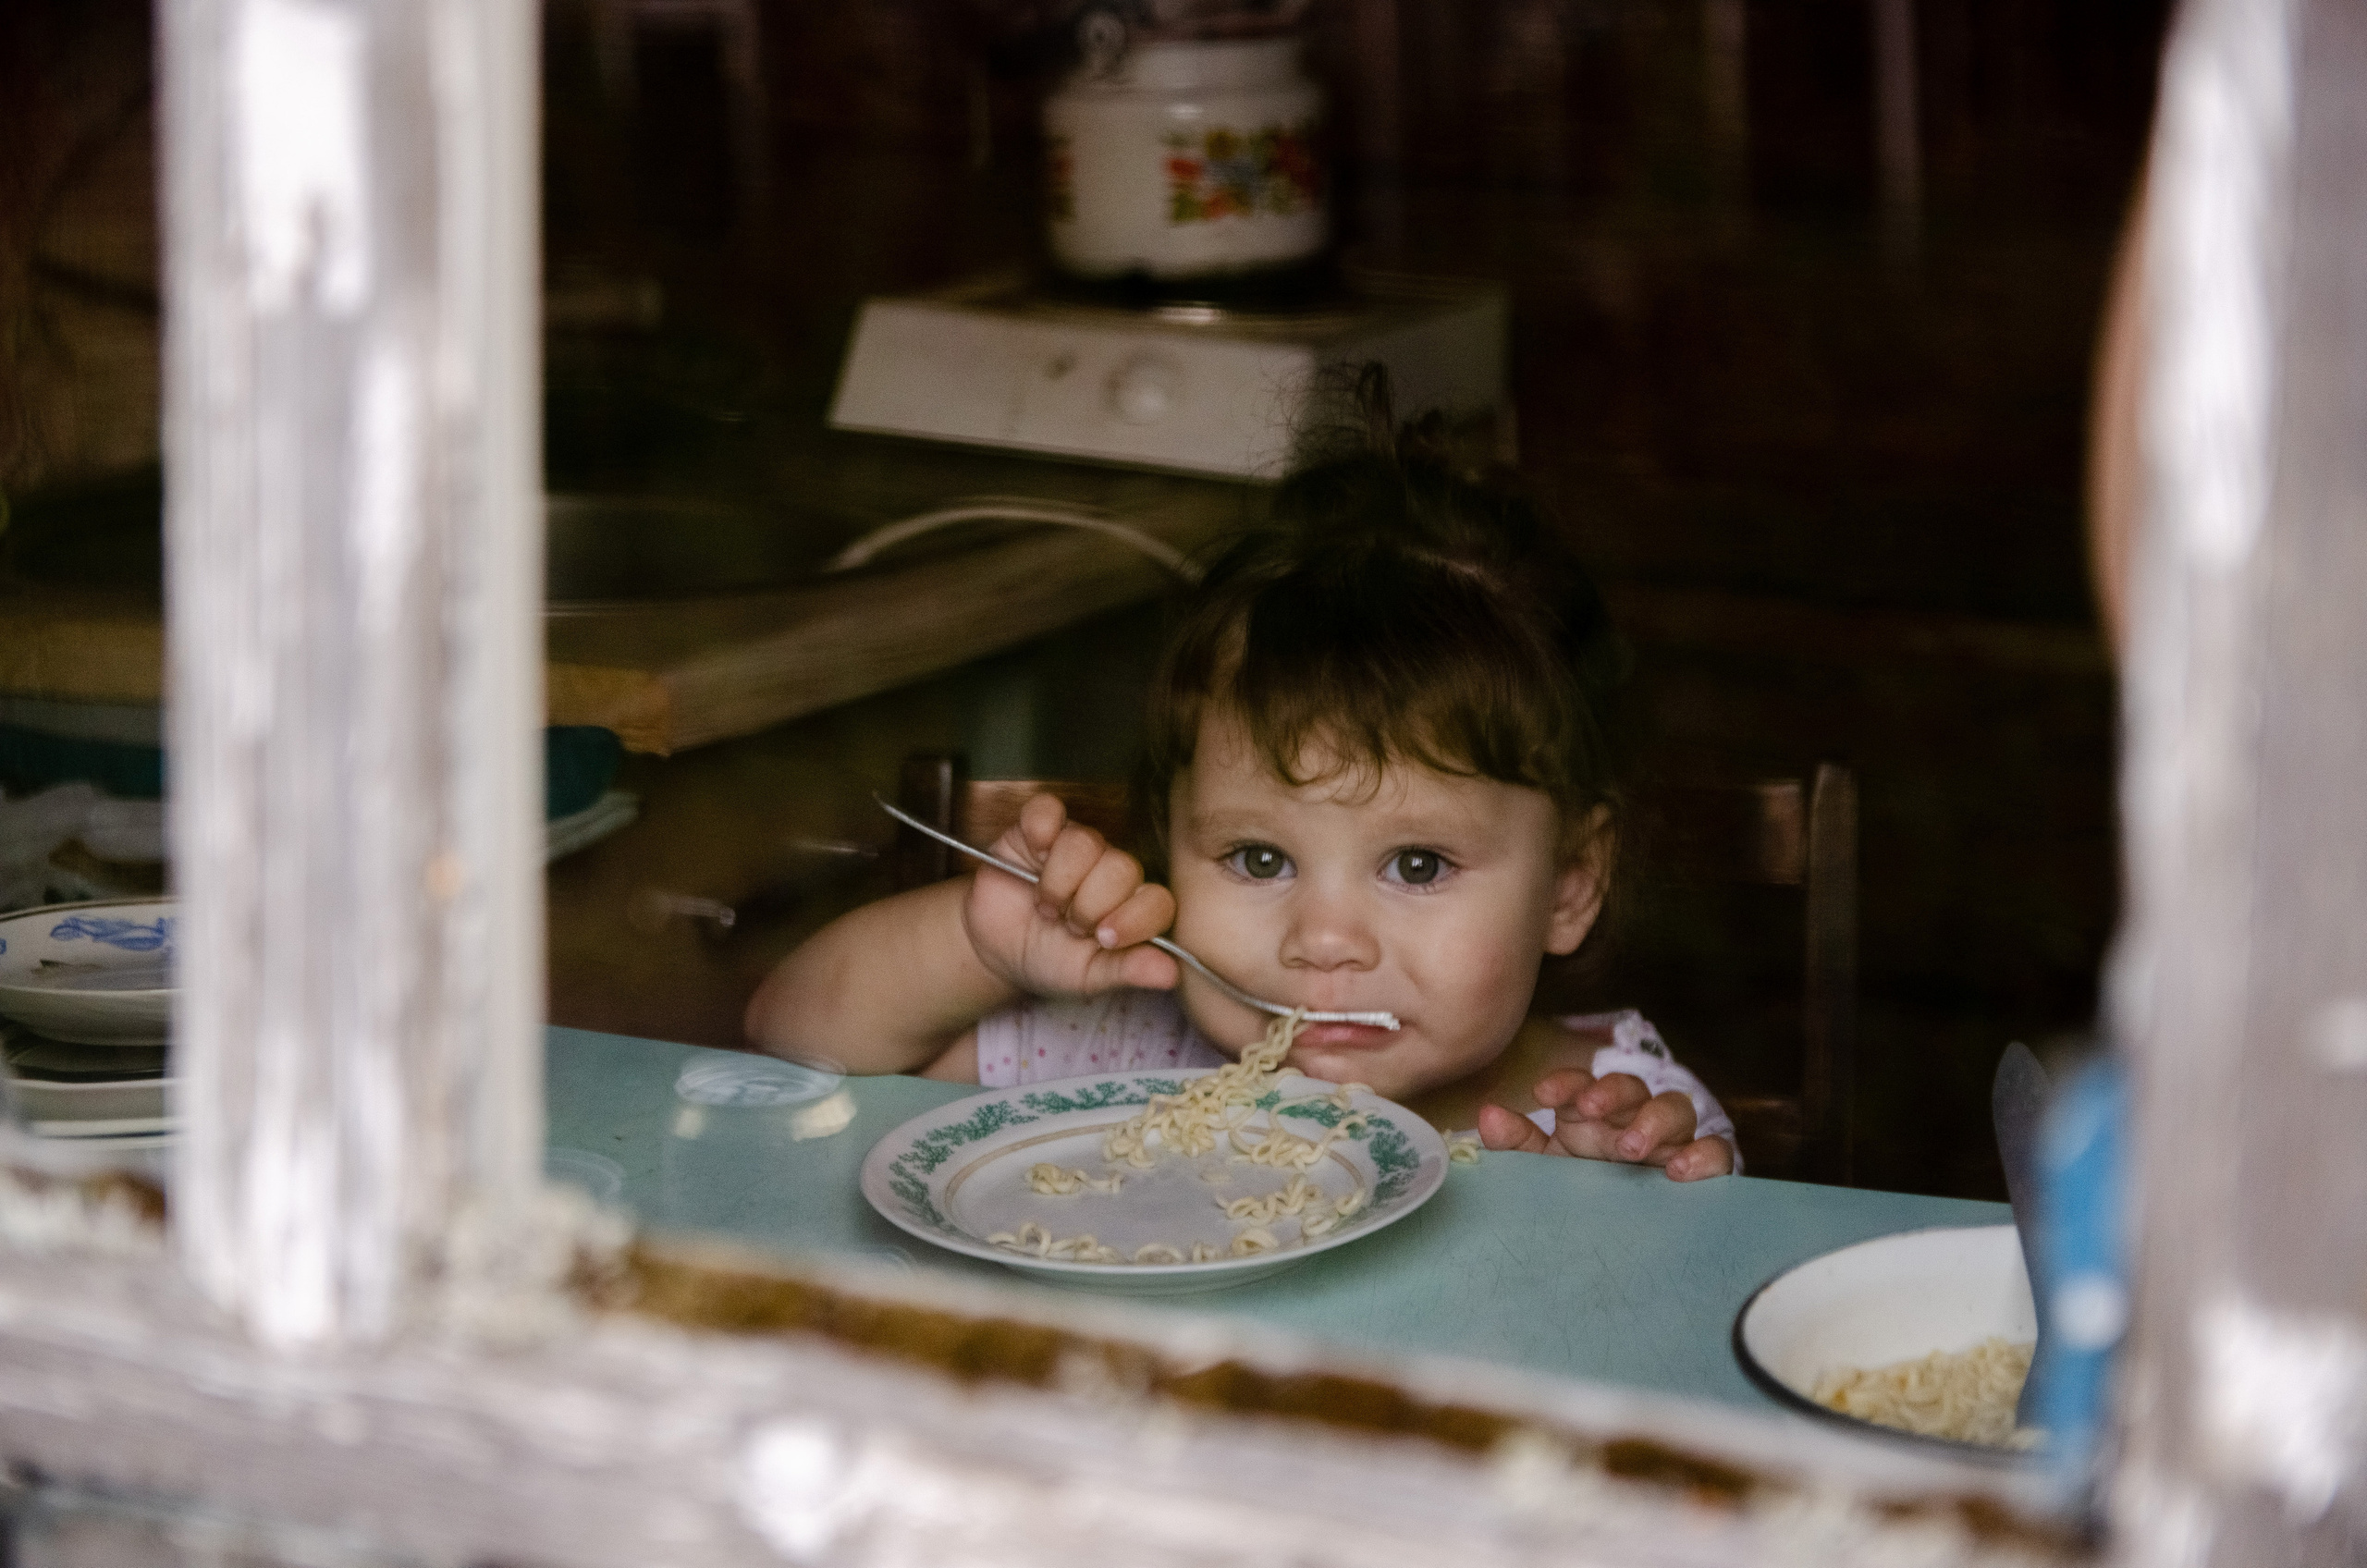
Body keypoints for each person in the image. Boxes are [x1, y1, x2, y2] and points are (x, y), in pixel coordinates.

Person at [748, 374, 1738, 1180]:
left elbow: (1673, 1334)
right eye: (1258, 855)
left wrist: (1597, 1215)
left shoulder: (1623, 1120)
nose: (1323, 940)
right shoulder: (1122, 1052)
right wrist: (975, 942)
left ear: (1569, 883)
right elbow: (787, 1041)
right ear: (1168, 842)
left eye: (1420, 865)